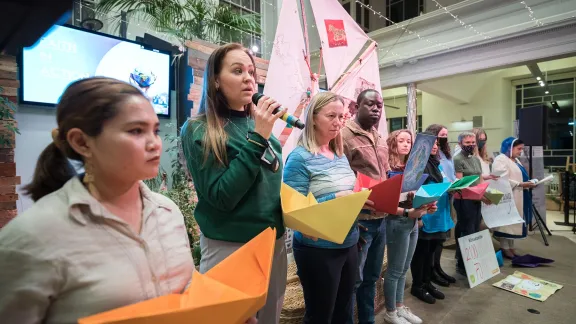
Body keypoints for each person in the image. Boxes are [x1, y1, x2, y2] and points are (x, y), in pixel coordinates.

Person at [0, 77, 248, 323]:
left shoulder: (167, 211)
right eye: (136, 131)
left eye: (155, 130)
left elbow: (186, 293)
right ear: (82, 142)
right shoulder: (31, 237)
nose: (154, 144)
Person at [180, 43, 286, 323]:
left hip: (273, 243)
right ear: (215, 80)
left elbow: (268, 186)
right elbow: (222, 196)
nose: (249, 78)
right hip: (230, 246)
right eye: (237, 71)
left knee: (269, 319)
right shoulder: (200, 129)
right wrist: (259, 138)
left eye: (251, 72)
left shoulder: (260, 127)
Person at [283, 92, 373, 324]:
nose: (338, 122)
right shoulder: (299, 158)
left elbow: (348, 197)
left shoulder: (340, 155)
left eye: (341, 116)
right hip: (318, 249)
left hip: (349, 241)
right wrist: (337, 197)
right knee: (320, 315)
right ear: (313, 118)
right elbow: (294, 212)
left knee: (344, 311)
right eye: (331, 115)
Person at [342, 89, 390, 324]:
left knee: (372, 277)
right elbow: (340, 177)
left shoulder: (381, 139)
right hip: (359, 220)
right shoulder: (344, 136)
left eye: (379, 105)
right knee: (354, 281)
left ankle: (368, 320)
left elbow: (384, 174)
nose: (376, 109)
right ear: (356, 106)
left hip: (381, 218)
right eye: (370, 104)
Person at [383, 129, 437, 324]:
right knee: (395, 270)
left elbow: (413, 196)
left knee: (404, 268)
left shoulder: (411, 168)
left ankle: (399, 306)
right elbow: (387, 202)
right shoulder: (387, 168)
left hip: (413, 220)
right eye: (401, 140)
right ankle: (390, 312)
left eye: (409, 141)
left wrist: (426, 205)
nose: (406, 144)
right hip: (396, 221)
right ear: (392, 142)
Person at [410, 135, 455, 304]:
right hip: (423, 214)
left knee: (430, 251)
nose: (435, 146)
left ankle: (427, 282)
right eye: (432, 143)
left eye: (437, 143)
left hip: (435, 212)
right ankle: (417, 286)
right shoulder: (418, 164)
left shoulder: (435, 163)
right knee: (420, 253)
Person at [452, 132, 498, 276]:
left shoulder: (476, 159)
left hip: (476, 199)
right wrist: (479, 196)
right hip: (464, 200)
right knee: (467, 231)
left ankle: (471, 262)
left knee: (475, 230)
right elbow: (461, 184)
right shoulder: (458, 159)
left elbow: (480, 180)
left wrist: (487, 194)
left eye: (473, 142)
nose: (471, 145)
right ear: (460, 144)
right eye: (467, 143)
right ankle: (463, 264)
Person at [491, 137, 536, 259]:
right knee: (507, 224)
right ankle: (505, 248)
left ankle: (511, 247)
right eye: (519, 148)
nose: (521, 151)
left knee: (513, 224)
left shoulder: (515, 160)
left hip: (519, 195)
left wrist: (529, 183)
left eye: (522, 148)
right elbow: (500, 179)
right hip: (508, 197)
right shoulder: (501, 159)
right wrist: (521, 184)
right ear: (509, 148)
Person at [423, 124, 456, 286]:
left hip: (442, 202)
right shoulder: (424, 162)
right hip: (430, 206)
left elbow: (446, 176)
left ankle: (436, 268)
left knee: (438, 241)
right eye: (436, 141)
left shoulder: (441, 158)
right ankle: (428, 274)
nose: (437, 145)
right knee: (428, 245)